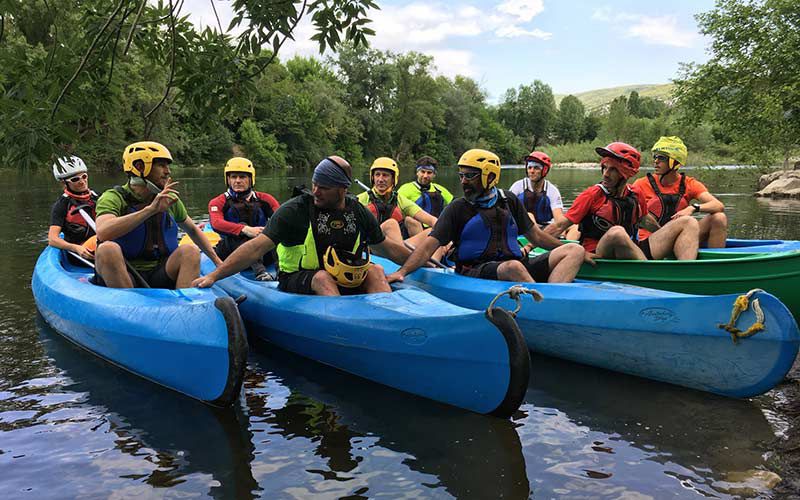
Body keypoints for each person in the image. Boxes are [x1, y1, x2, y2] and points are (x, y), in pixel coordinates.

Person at [193, 156, 411, 296]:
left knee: (375, 270)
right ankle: (340, 332)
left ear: (342, 189)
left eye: (324, 188)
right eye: (315, 184)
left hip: (344, 274)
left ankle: (389, 320)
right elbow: (256, 248)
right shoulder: (295, 210)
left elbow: (387, 248)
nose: (315, 192)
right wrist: (214, 276)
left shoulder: (357, 210)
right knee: (322, 277)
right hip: (298, 278)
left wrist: (427, 266)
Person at [386, 149, 589, 285]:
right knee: (513, 267)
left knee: (574, 250)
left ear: (490, 177)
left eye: (469, 176)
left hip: (515, 266)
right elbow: (429, 246)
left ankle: (554, 298)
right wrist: (402, 272)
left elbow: (537, 236)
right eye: (461, 176)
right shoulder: (458, 208)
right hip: (475, 271)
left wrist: (562, 246)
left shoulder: (509, 200)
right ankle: (544, 304)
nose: (463, 181)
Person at [93, 141, 222, 289]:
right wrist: (150, 210)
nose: (168, 171)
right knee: (107, 249)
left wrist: (217, 262)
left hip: (159, 272)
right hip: (126, 273)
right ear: (139, 167)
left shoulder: (169, 199)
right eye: (161, 165)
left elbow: (192, 230)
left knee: (190, 251)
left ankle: (186, 305)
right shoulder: (113, 197)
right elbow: (103, 232)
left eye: (168, 166)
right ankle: (131, 306)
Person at [546, 142, 699, 261]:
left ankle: (685, 271)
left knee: (688, 222)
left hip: (633, 248)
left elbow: (645, 220)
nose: (606, 174)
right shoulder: (591, 195)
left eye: (612, 170)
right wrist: (530, 246)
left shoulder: (635, 193)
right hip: (599, 253)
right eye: (604, 168)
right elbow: (560, 226)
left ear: (625, 174)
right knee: (617, 232)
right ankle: (650, 271)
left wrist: (667, 237)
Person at [632, 136, 728, 247]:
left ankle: (715, 261)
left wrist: (692, 208)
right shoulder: (641, 184)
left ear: (675, 162)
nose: (656, 161)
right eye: (655, 157)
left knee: (719, 218)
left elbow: (718, 205)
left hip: (682, 238)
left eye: (661, 158)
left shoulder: (689, 183)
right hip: (651, 241)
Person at [208, 157, 280, 280]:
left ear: (251, 179)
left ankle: (282, 271)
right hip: (230, 252)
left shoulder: (265, 199)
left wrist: (267, 232)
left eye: (242, 177)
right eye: (233, 177)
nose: (237, 181)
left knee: (275, 231)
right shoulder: (218, 202)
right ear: (228, 180)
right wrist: (245, 229)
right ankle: (261, 273)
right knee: (243, 232)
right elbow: (216, 223)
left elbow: (282, 219)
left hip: (262, 250)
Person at [356, 157, 438, 240]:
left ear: (393, 179)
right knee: (391, 224)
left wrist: (444, 231)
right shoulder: (360, 200)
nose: (380, 179)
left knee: (426, 230)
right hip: (370, 246)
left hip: (396, 247)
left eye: (385, 175)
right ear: (372, 177)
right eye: (377, 175)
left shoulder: (400, 200)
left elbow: (430, 220)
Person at [48, 155, 98, 264]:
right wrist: (76, 248)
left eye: (84, 176)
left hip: (102, 245)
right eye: (75, 179)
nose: (82, 181)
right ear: (63, 183)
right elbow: (52, 239)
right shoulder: (62, 205)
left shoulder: (97, 198)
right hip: (81, 253)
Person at [508, 151, 566, 229]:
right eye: (529, 167)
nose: (532, 171)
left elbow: (558, 219)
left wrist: (561, 228)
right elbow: (506, 212)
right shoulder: (517, 186)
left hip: (544, 228)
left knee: (575, 226)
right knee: (529, 216)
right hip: (521, 228)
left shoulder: (552, 191)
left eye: (536, 168)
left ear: (544, 170)